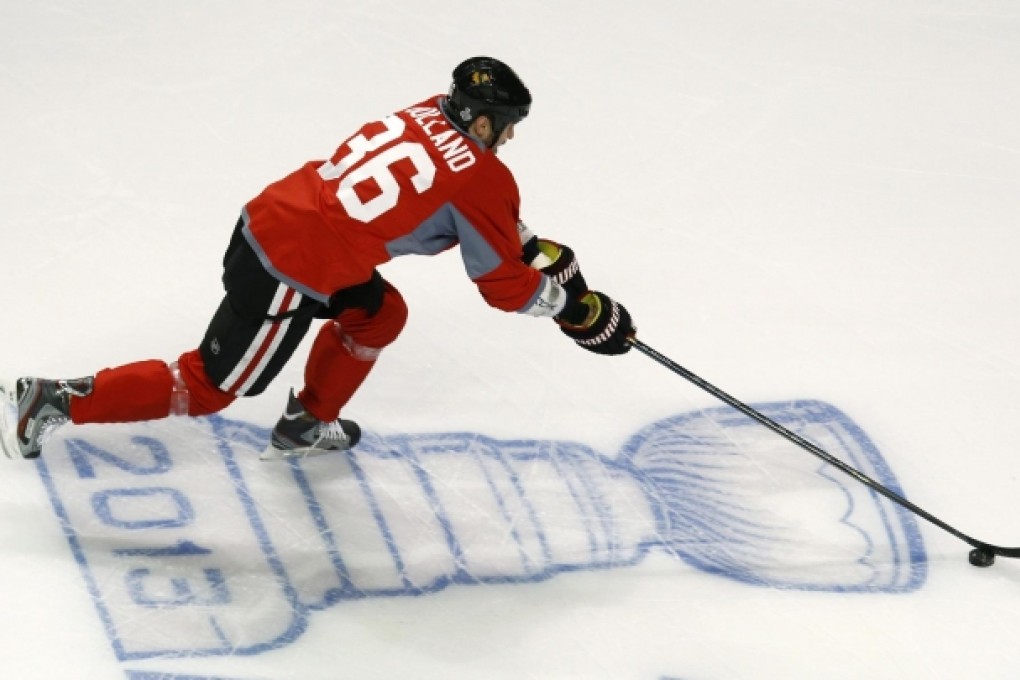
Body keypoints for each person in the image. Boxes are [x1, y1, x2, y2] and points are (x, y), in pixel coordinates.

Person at [1, 56, 635, 461]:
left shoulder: (425, 112)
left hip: (277, 219)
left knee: (380, 314)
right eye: (505, 123)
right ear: (477, 119)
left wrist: (530, 247)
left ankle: (308, 421)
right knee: (207, 386)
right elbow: (504, 287)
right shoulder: (484, 178)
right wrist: (572, 308)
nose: (510, 136)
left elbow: (457, 202)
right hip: (291, 270)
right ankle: (54, 400)